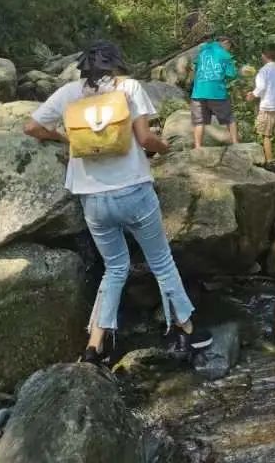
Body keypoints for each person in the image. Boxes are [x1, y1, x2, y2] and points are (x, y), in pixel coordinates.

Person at [24, 40, 212, 364]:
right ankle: (186, 331)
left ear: (83, 66)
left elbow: (31, 126)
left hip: (93, 199)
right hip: (135, 192)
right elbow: (146, 139)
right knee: (162, 263)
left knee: (114, 268)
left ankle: (95, 346)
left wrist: (65, 137)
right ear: (116, 64)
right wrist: (166, 148)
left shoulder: (69, 93)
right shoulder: (130, 88)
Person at [191, 35, 239, 149]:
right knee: (230, 118)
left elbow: (195, 67)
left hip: (198, 92)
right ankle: (236, 143)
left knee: (199, 121)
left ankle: (198, 147)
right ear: (226, 42)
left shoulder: (203, 51)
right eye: (230, 46)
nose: (229, 49)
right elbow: (231, 74)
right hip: (216, 92)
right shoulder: (225, 55)